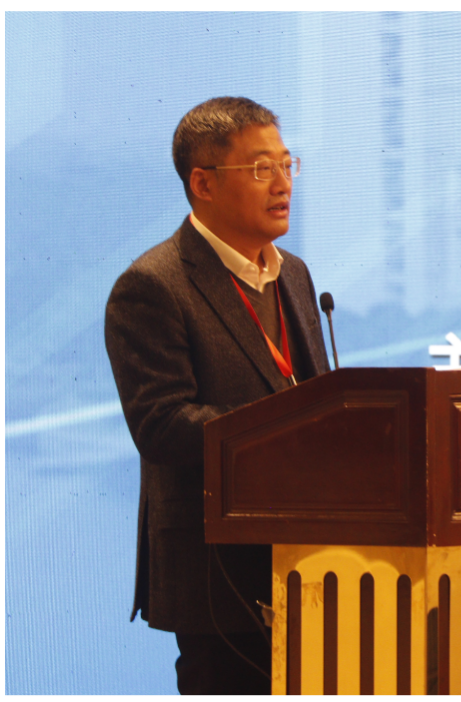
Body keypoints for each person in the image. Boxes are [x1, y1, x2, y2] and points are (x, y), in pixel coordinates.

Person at [105, 97, 330, 694]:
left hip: (313, 563)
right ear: (202, 183)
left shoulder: (293, 273)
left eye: (287, 164)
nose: (283, 183)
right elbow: (162, 424)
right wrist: (290, 430)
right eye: (260, 168)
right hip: (220, 581)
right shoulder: (153, 285)